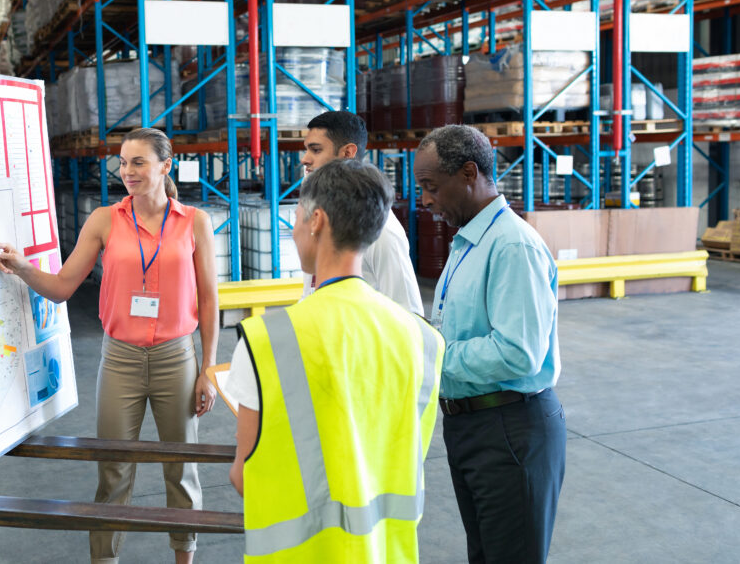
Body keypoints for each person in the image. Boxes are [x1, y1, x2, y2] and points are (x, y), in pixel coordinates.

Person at [0, 127, 218, 564]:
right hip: (120, 360)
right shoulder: (104, 220)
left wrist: (208, 367)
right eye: (123, 162)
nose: (126, 171)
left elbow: (209, 298)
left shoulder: (195, 222)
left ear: (165, 166)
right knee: (112, 468)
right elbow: (60, 288)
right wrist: (20, 266)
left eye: (138, 162)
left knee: (182, 468)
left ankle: (184, 557)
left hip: (177, 357)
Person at [224, 159, 445, 563]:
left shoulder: (266, 339)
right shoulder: (421, 337)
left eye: (295, 219)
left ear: (317, 221)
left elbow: (244, 476)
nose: (292, 232)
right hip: (388, 552)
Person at [413, 125, 566, 564]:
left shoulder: (511, 245)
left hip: (509, 428)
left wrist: (429, 355)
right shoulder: (469, 241)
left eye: (431, 187)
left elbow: (517, 351)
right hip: (472, 425)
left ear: (468, 173)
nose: (426, 200)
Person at [299, 110, 424, 315]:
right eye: (306, 150)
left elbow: (410, 316)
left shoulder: (383, 231)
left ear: (348, 153)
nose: (305, 159)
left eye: (316, 150)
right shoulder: (320, 216)